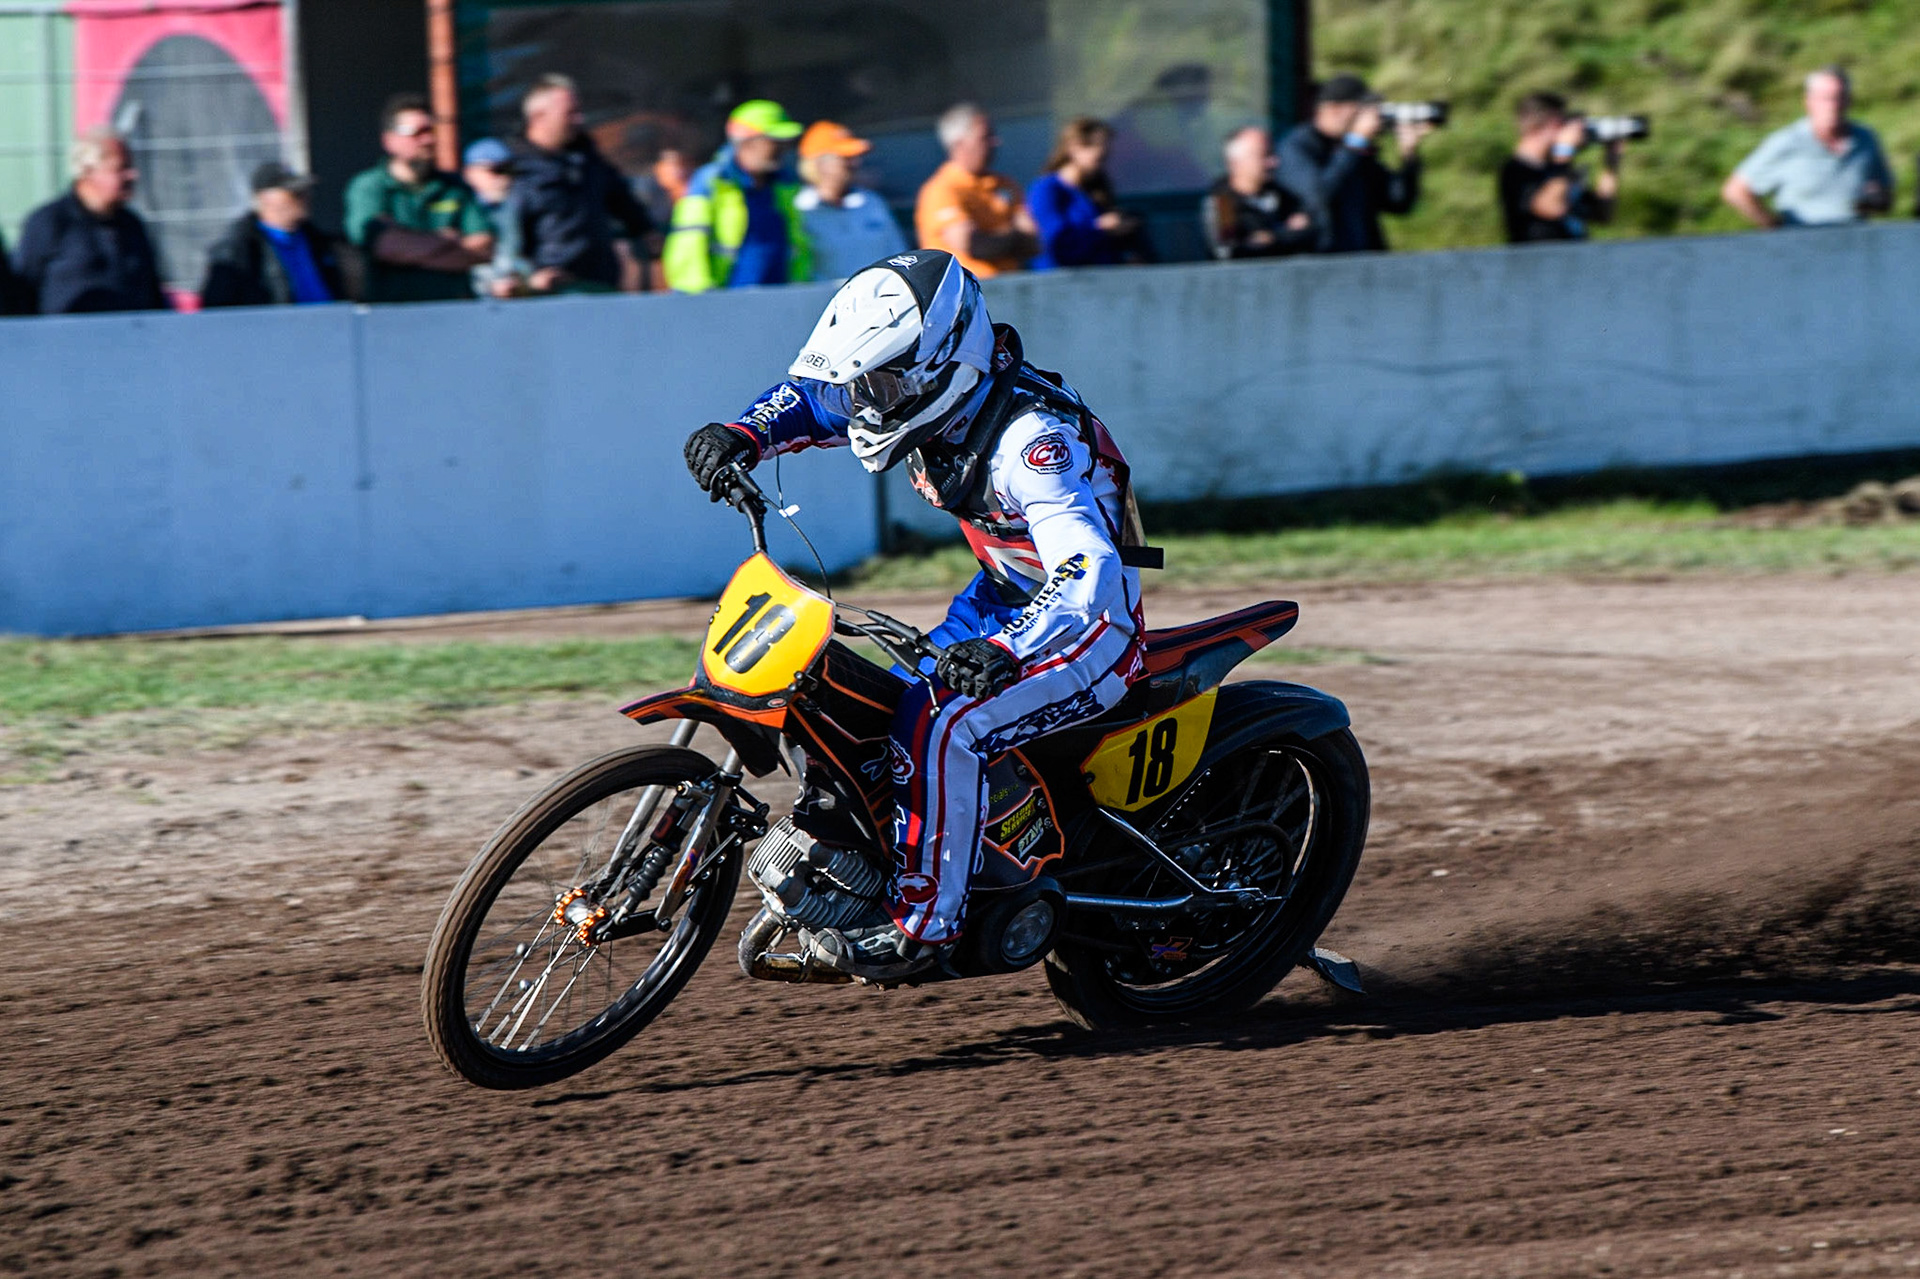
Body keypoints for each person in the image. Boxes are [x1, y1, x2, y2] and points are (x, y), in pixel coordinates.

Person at [682, 250, 1149, 980]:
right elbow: (814, 400)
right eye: (864, 382)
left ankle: (924, 926)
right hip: (1001, 599)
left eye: (882, 383)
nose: (866, 401)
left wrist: (1007, 651)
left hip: (1088, 626)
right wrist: (743, 434)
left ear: (947, 362)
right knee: (872, 707)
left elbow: (1089, 570)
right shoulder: (923, 394)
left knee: (943, 725)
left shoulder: (1033, 444)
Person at [508, 74, 657, 294]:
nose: (579, 119)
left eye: (578, 112)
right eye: (569, 113)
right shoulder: (514, 169)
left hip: (599, 285)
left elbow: (624, 203)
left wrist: (646, 231)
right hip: (548, 293)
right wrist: (529, 277)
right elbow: (504, 238)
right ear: (538, 116)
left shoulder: (589, 161)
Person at [343, 93, 494, 303]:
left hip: (453, 307)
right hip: (392, 312)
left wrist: (414, 248)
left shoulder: (455, 187)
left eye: (431, 131)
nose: (428, 140)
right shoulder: (370, 187)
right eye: (417, 133)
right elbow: (386, 246)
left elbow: (483, 247)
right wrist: (447, 240)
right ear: (389, 140)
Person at [13, 127, 167, 315]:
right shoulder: (50, 222)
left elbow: (153, 294)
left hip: (130, 332)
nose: (132, 175)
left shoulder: (132, 225)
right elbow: (21, 292)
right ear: (87, 171)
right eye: (121, 168)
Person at [664, 99, 812, 293]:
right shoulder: (711, 182)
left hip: (781, 298)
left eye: (784, 143)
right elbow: (688, 243)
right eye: (774, 142)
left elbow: (798, 244)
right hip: (727, 302)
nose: (782, 149)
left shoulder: (785, 185)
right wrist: (699, 297)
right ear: (747, 142)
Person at [1722, 67, 1892, 229]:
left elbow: (1884, 195)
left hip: (1855, 243)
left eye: (1839, 97)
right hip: (1803, 243)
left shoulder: (1866, 139)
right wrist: (1774, 227)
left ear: (1849, 100)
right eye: (1825, 98)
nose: (1833, 105)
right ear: (1809, 101)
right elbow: (1736, 190)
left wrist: (1875, 199)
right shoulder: (1787, 142)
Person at [1277, 74, 1429, 253]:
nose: (1367, 117)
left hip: (1365, 259)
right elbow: (1318, 196)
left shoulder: (1354, 151)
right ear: (1334, 109)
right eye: (1360, 110)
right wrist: (1355, 141)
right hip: (1322, 260)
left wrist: (1409, 155)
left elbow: (1398, 202)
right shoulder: (1297, 147)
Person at [199, 162, 350, 307]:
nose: (303, 198)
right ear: (265, 197)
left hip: (330, 322)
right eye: (294, 193)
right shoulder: (239, 249)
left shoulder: (317, 241)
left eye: (304, 192)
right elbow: (219, 308)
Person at [915, 102, 1039, 278]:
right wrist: (1013, 235)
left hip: (1013, 284)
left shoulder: (1005, 184)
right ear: (959, 144)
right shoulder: (941, 190)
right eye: (985, 137)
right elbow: (973, 245)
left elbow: (1033, 242)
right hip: (966, 289)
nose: (996, 142)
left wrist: (994, 237)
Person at [1498, 92, 1621, 244]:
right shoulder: (1515, 171)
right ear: (1547, 124)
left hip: (1576, 256)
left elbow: (1602, 214)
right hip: (1541, 257)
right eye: (1561, 123)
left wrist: (1611, 162)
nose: (1564, 129)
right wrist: (1564, 152)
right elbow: (1553, 207)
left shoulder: (1559, 168)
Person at [1027, 116, 1146, 270]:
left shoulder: (1097, 190)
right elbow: (1057, 243)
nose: (1101, 155)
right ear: (1073, 147)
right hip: (1060, 279)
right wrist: (1101, 227)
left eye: (1105, 157)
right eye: (1096, 152)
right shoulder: (1046, 190)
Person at [794, 120, 907, 281]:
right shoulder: (798, 209)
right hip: (821, 296)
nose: (855, 163)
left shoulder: (872, 202)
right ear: (819, 164)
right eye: (845, 158)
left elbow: (898, 254)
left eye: (854, 157)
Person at [1202, 125, 1317, 260]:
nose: (1273, 162)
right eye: (1264, 156)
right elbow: (1228, 252)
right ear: (1236, 163)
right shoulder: (1223, 203)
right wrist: (1286, 235)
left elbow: (1312, 234)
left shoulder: (1283, 195)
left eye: (1272, 154)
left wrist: (1272, 238)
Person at [460, 137, 528, 298]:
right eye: (495, 170)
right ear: (469, 173)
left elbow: (511, 258)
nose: (505, 179)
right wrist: (490, 285)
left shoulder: (509, 208)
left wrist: (523, 277)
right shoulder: (458, 208)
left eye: (509, 171)